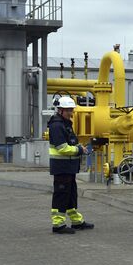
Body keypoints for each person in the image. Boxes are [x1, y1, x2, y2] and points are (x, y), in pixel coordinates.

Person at [48, 96, 94, 234]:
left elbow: (70, 143)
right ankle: (58, 225)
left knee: (71, 195)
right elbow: (62, 148)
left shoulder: (66, 123)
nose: (71, 112)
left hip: (68, 167)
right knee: (61, 195)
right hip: (62, 167)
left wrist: (80, 147)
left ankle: (76, 221)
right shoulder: (57, 126)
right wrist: (79, 150)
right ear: (61, 110)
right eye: (68, 110)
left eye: (71, 110)